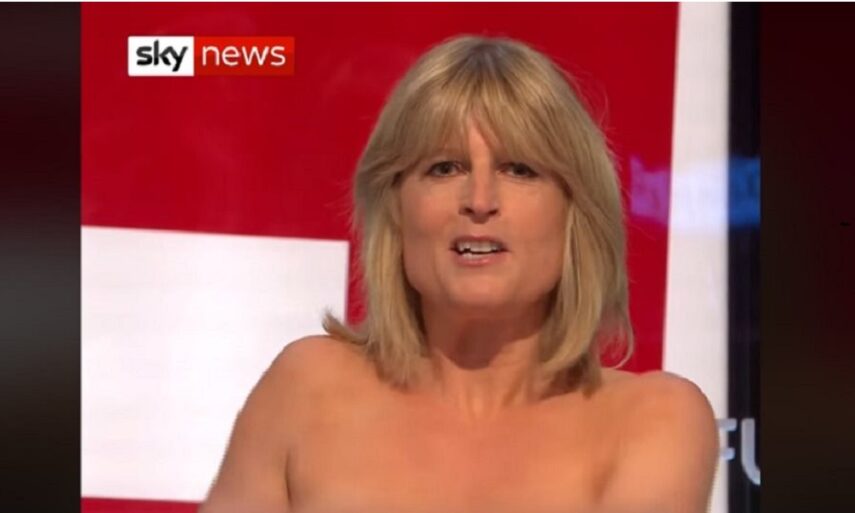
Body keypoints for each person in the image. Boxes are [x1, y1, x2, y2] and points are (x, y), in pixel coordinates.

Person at [200, 35, 718, 513]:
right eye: (445, 168)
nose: (479, 200)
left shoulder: (654, 420)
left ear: (575, 212)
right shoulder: (306, 387)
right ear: (396, 210)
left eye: (519, 169)